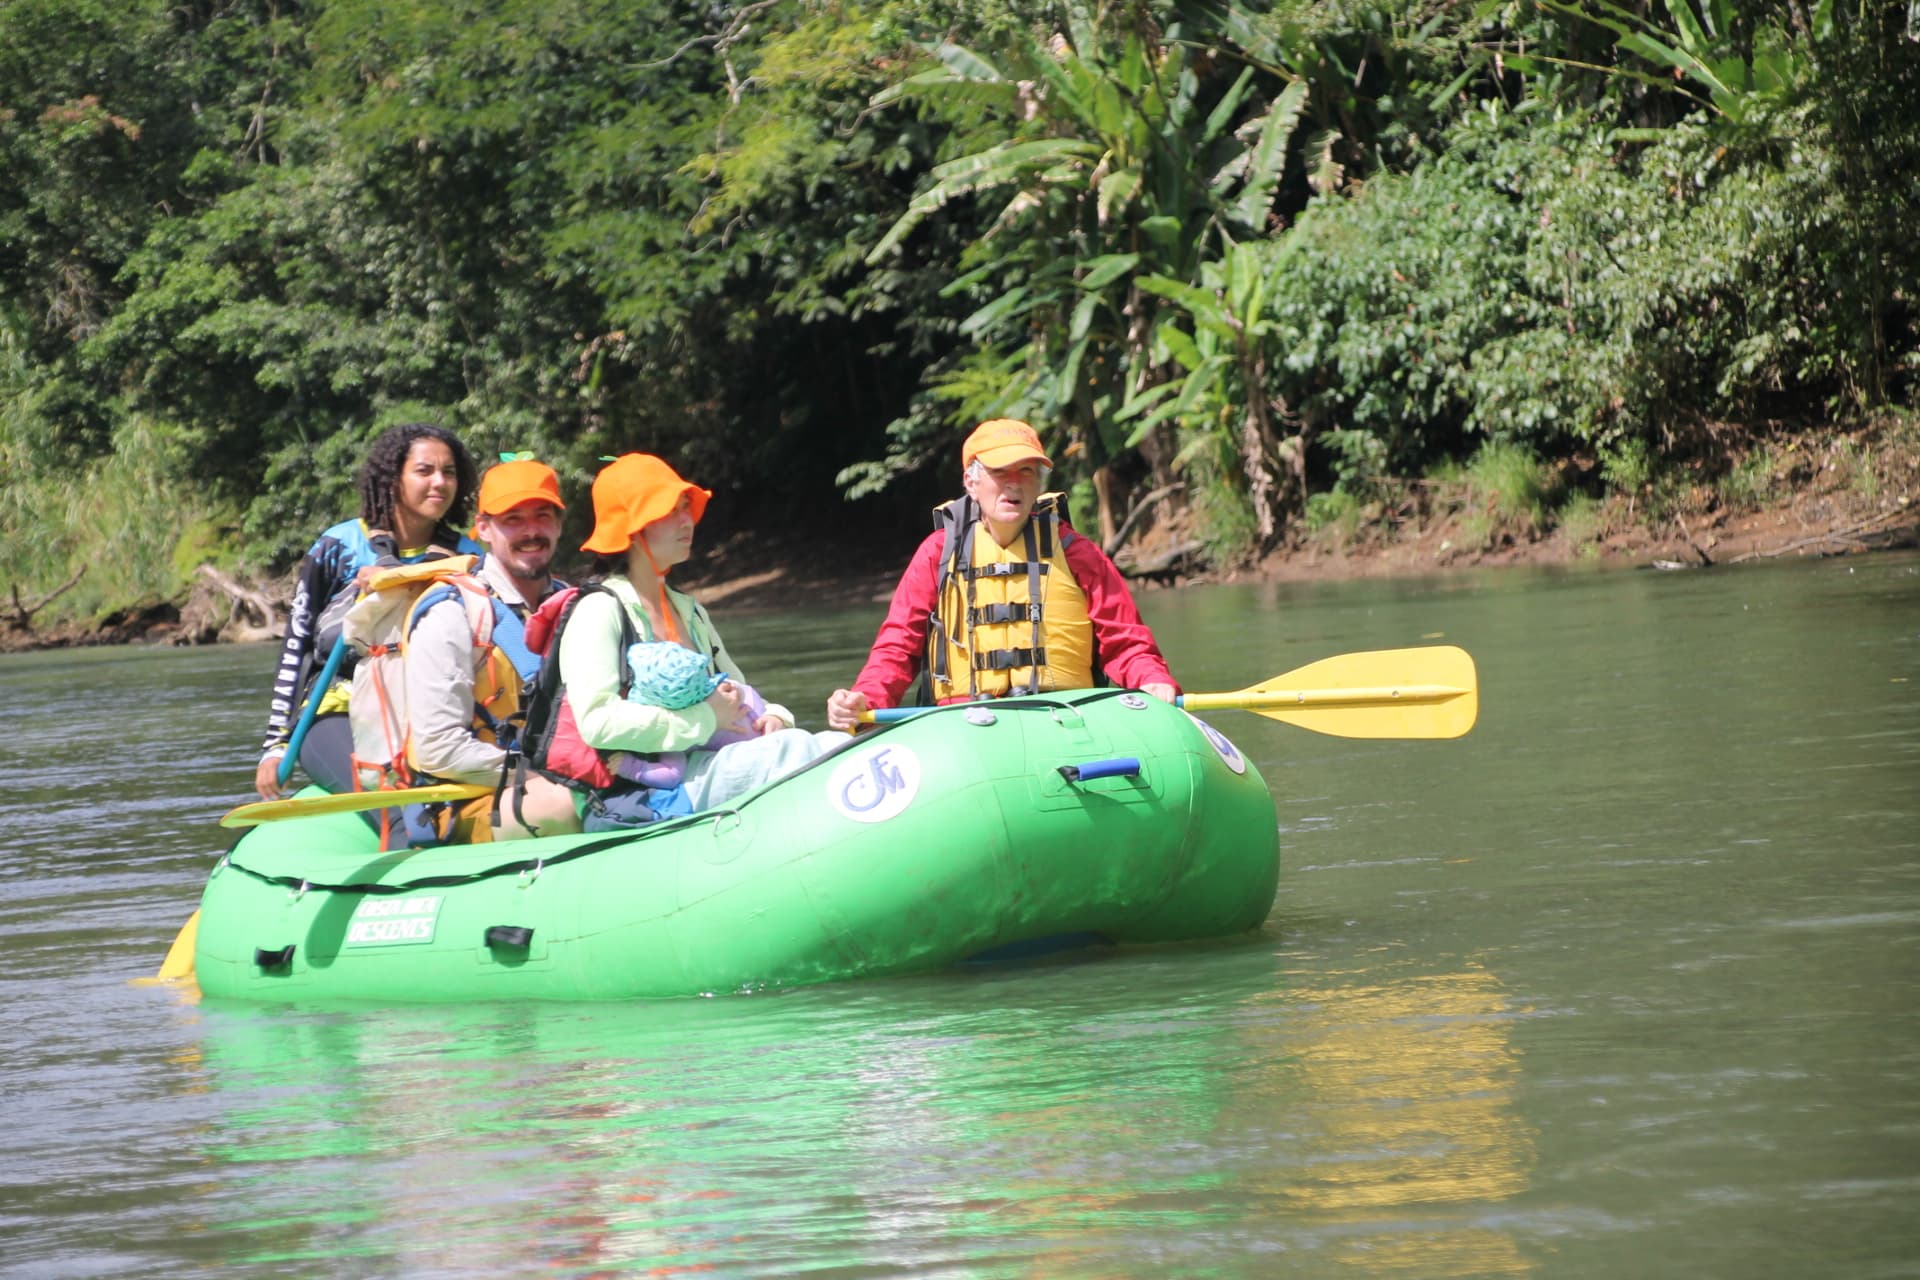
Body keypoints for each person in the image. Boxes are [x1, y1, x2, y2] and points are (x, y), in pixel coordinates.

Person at [826, 418, 1178, 730]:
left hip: (1062, 718)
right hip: (964, 725)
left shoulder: (1075, 551)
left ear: (1038, 483)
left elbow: (1127, 642)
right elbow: (897, 648)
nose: (1014, 484)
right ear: (971, 482)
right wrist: (866, 700)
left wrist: (1152, 679)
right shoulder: (937, 553)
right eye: (1000, 472)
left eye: (1026, 471)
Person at [554, 453, 841, 830]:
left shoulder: (690, 610)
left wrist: (775, 715)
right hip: (647, 788)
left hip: (713, 759)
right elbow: (598, 722)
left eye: (686, 507)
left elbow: (738, 690)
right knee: (797, 750)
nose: (687, 520)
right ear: (632, 529)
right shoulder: (597, 611)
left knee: (831, 744)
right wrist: (705, 719)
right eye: (670, 510)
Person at [253, 422, 480, 801]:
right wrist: (276, 744)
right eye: (424, 471)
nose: (439, 482)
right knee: (399, 814)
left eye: (449, 472)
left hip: (433, 716)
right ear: (393, 479)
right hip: (335, 713)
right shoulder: (338, 547)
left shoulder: (468, 556)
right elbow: (296, 648)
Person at [390, 455, 582, 843]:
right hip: (468, 801)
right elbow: (438, 749)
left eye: (543, 516)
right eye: (513, 519)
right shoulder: (450, 614)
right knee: (566, 804)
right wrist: (544, 772)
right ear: (483, 529)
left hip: (561, 776)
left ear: (560, 525)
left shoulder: (575, 605)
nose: (531, 531)